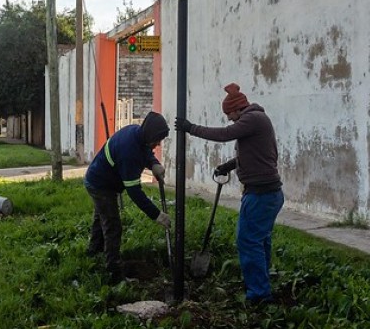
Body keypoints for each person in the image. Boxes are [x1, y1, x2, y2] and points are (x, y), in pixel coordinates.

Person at [177, 83, 284, 304]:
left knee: (248, 241)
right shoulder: (257, 120)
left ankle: (259, 295)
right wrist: (228, 166)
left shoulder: (252, 119)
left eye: (229, 114)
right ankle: (261, 286)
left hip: (261, 195)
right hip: (267, 193)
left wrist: (191, 128)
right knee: (259, 241)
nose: (229, 119)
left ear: (237, 109)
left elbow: (225, 134)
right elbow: (254, 154)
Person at [84, 111, 171, 282]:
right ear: (150, 135)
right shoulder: (129, 151)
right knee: (112, 225)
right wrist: (157, 215)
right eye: (157, 140)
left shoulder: (137, 133)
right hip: (101, 185)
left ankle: (93, 252)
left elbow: (145, 150)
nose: (158, 144)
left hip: (99, 179)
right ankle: (114, 272)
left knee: (101, 218)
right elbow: (134, 192)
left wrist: (154, 163)